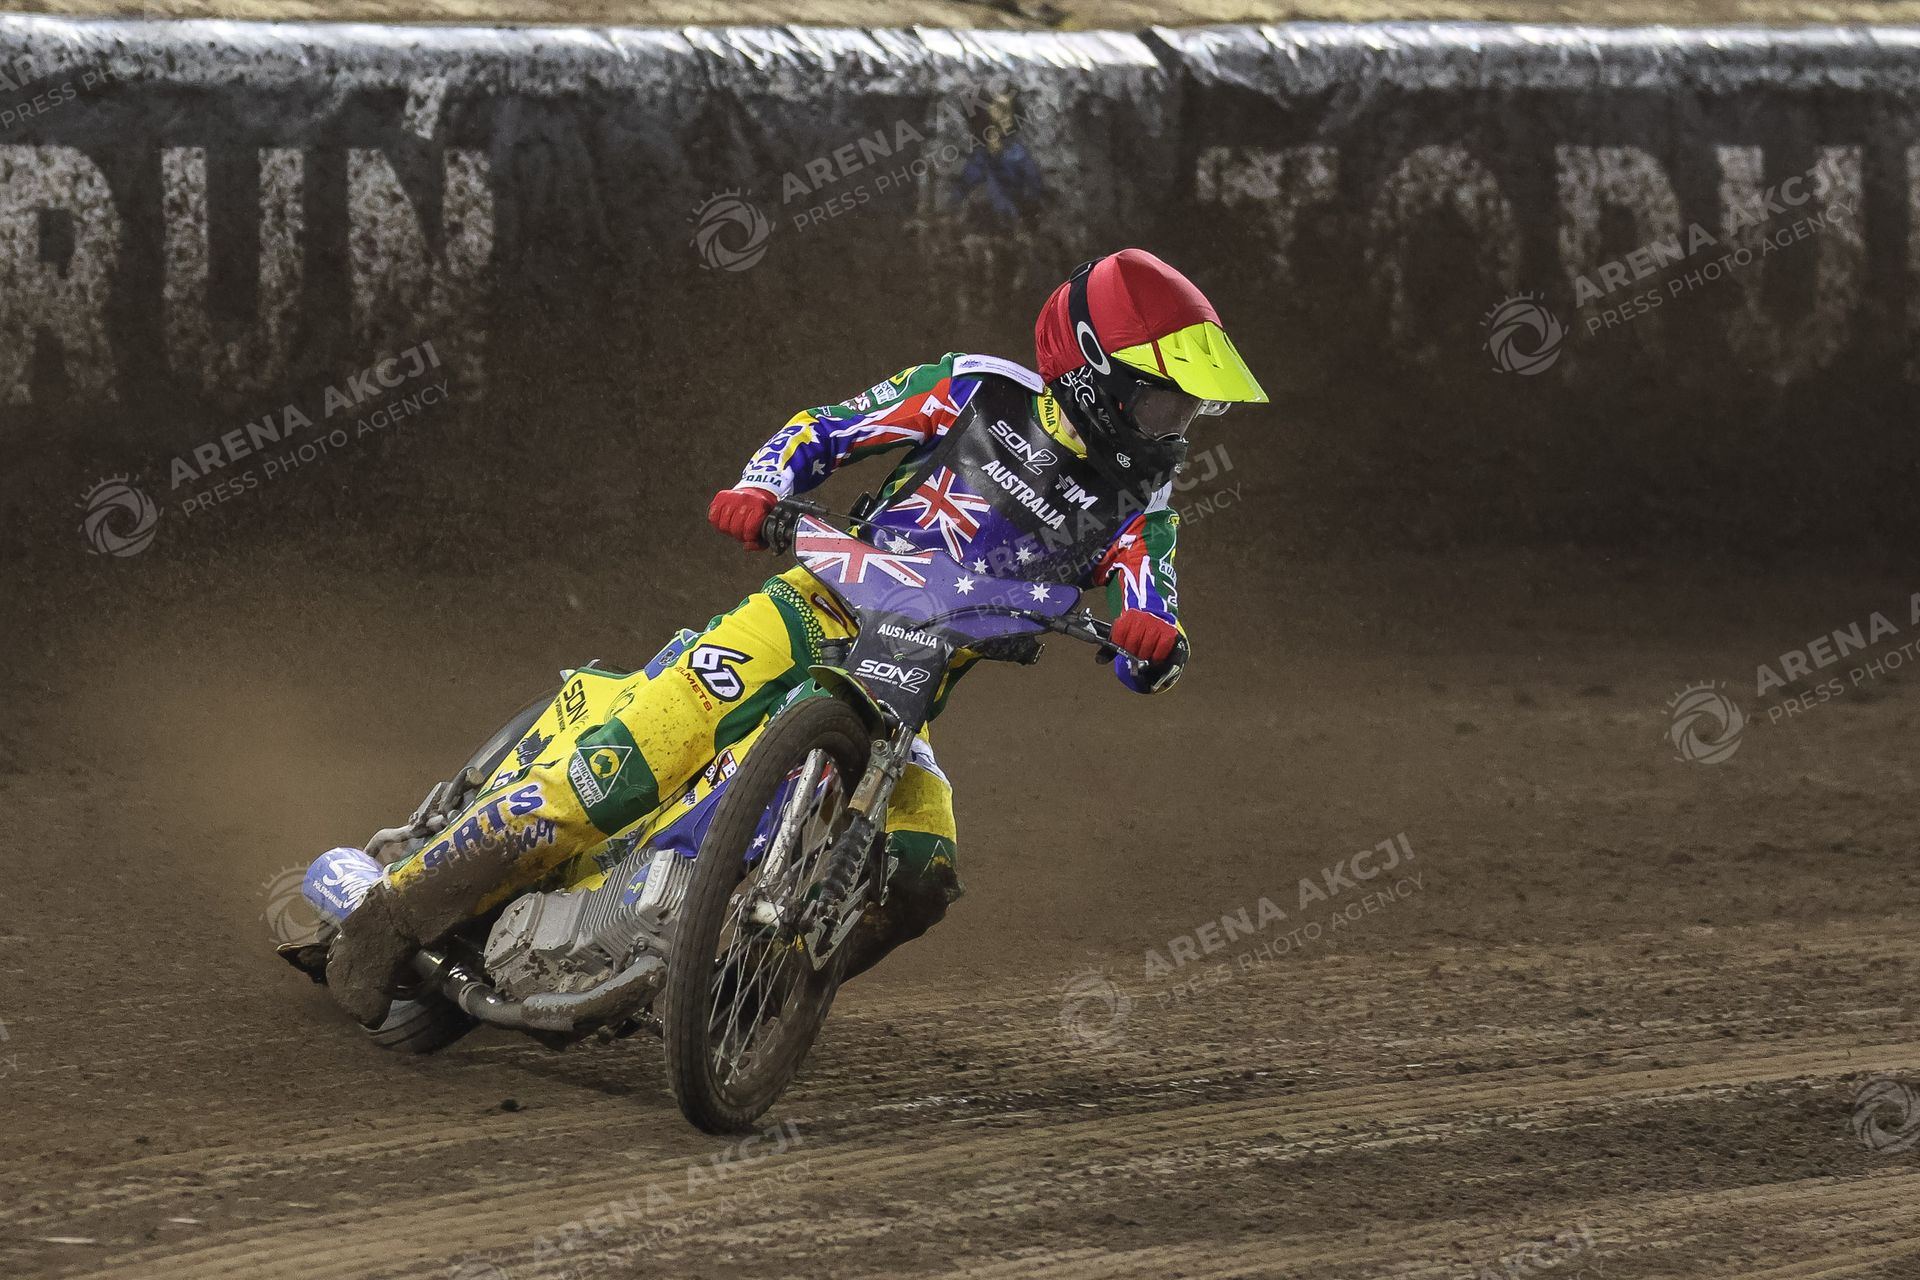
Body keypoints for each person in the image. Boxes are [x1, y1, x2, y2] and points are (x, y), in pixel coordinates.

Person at [322, 248, 1267, 1028]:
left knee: (922, 873)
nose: (1175, 427)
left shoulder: (1141, 504)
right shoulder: (976, 390)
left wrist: (1152, 647)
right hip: (807, 611)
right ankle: (386, 920)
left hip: (904, 695)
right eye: (1163, 401)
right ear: (1096, 372)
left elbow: (1154, 612)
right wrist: (760, 488)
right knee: (612, 775)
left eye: (1190, 408)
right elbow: (827, 429)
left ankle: (744, 997)